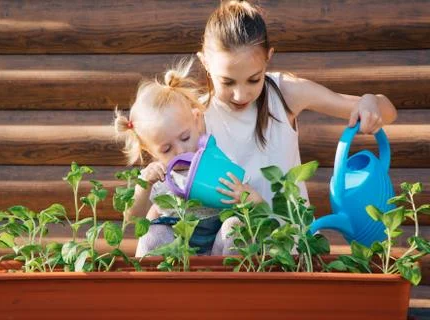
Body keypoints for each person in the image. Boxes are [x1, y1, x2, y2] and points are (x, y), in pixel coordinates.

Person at [196, 0, 398, 248]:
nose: (241, 94)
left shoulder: (284, 92)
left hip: (292, 249)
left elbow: (387, 111)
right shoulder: (197, 115)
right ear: (204, 62)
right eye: (227, 82)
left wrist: (369, 103)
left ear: (268, 58)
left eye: (253, 79)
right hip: (235, 255)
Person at [114, 59, 228, 257]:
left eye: (185, 137)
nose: (181, 150)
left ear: (197, 121)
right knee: (153, 233)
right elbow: (133, 217)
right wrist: (144, 185)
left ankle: (233, 282)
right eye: (166, 149)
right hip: (175, 253)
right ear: (150, 151)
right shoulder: (157, 176)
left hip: (217, 248)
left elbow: (239, 195)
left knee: (235, 227)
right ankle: (157, 284)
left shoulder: (213, 158)